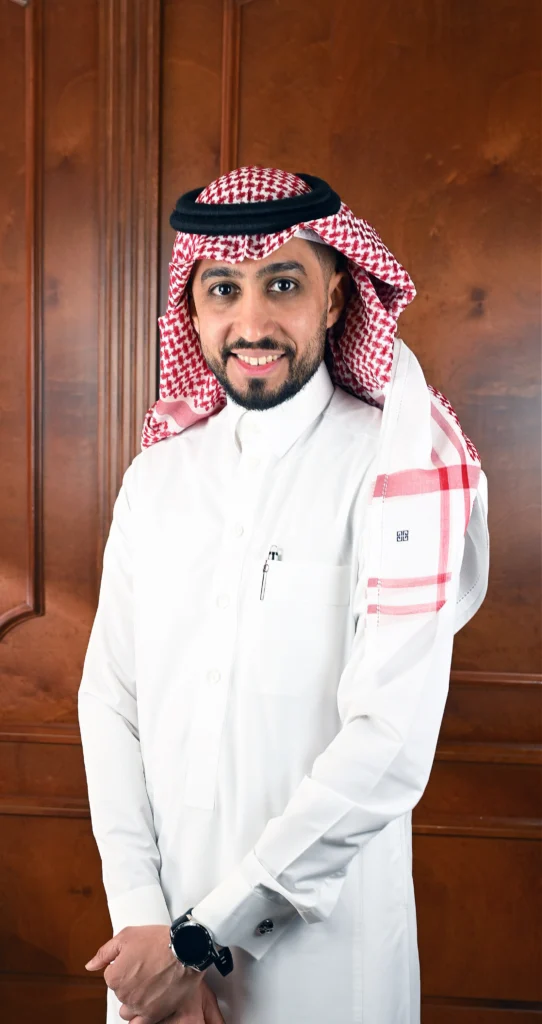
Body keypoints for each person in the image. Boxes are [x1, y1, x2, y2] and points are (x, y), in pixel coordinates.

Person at [79, 166, 489, 1024]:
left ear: (336, 298)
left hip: (323, 961)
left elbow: (387, 748)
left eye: (284, 285)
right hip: (151, 957)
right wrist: (146, 924)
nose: (252, 323)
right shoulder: (157, 479)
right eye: (223, 289)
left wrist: (201, 942)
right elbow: (110, 702)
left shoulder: (399, 470)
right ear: (192, 310)